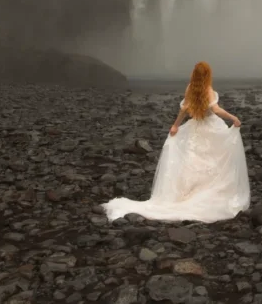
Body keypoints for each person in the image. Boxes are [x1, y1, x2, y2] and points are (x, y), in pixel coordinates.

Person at [102, 61, 250, 223]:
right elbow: (215, 110)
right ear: (208, 75)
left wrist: (175, 125)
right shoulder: (208, 90)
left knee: (193, 159)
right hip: (211, 127)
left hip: (195, 127)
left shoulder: (190, 88)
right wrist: (233, 118)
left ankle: (188, 193)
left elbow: (185, 109)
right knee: (214, 159)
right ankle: (209, 190)